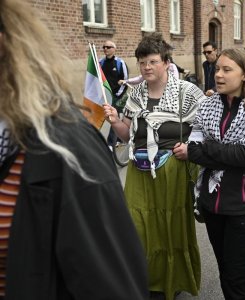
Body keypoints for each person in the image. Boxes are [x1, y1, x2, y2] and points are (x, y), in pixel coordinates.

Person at [0, 0, 148, 299]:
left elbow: (119, 85)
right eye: (104, 49)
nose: (106, 52)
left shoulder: (70, 151)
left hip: (112, 105)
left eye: (108, 48)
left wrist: (114, 104)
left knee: (109, 138)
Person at [103, 32, 206, 300]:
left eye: (152, 61)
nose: (146, 67)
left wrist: (190, 149)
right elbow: (127, 134)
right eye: (142, 62)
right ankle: (145, 279)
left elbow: (206, 130)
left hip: (173, 169)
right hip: (139, 169)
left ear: (166, 62)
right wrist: (115, 120)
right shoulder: (135, 94)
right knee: (136, 223)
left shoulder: (187, 92)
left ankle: (172, 280)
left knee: (171, 226)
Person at [176, 48, 245, 300]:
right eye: (217, 69)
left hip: (242, 208)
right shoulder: (207, 105)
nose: (218, 75)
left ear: (244, 75)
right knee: (224, 270)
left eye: (227, 69)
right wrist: (211, 150)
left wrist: (207, 148)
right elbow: (194, 150)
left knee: (237, 276)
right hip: (212, 206)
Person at [100, 40, 129, 147]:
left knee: (113, 119)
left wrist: (118, 94)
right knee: (110, 117)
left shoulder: (120, 63)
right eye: (104, 47)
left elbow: (125, 80)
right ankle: (119, 139)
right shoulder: (100, 63)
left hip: (117, 96)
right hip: (105, 96)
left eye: (108, 47)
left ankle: (110, 144)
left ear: (114, 49)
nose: (105, 49)